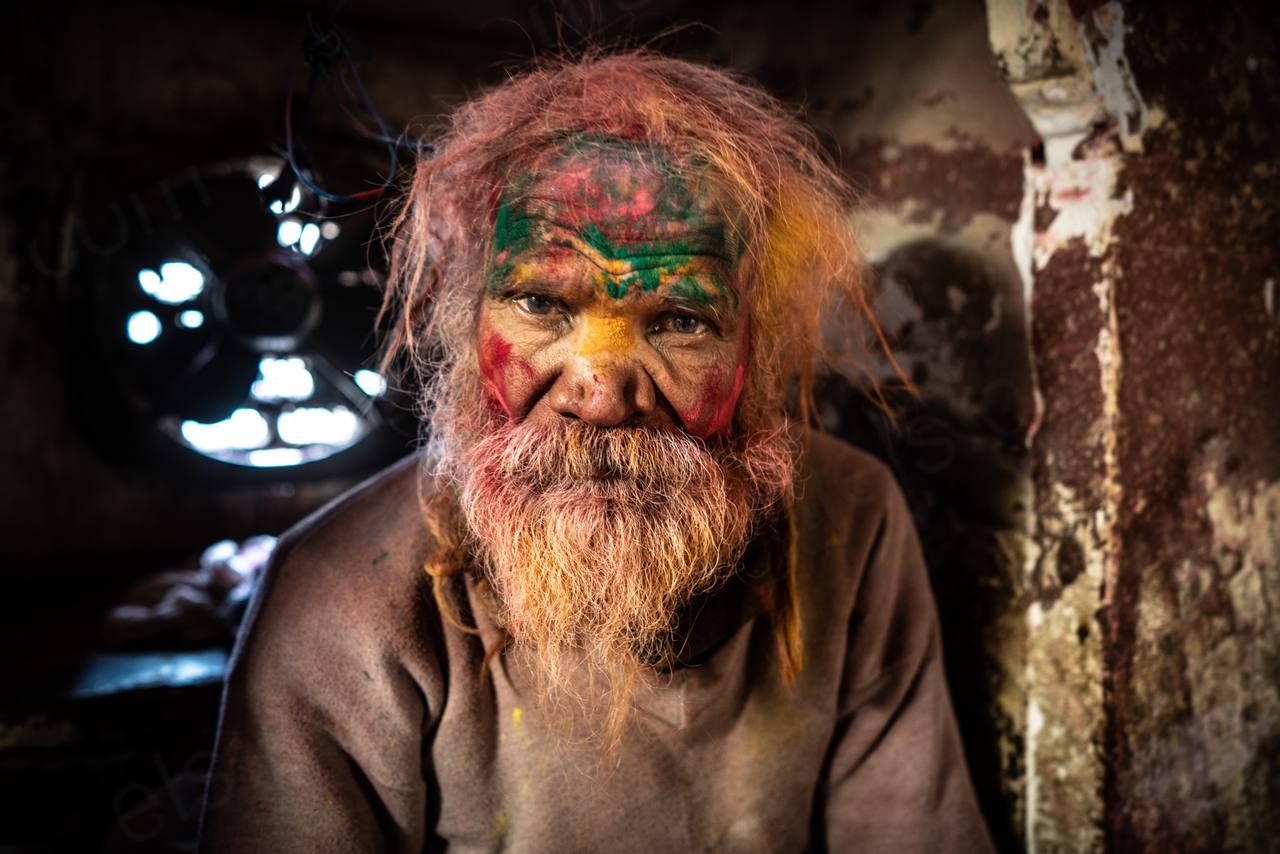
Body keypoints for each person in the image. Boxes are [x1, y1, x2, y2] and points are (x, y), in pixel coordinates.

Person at [198, 51, 994, 853]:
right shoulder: (345, 600)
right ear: (468, 320)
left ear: (756, 345)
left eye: (681, 319)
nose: (602, 393)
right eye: (542, 303)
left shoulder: (851, 518)